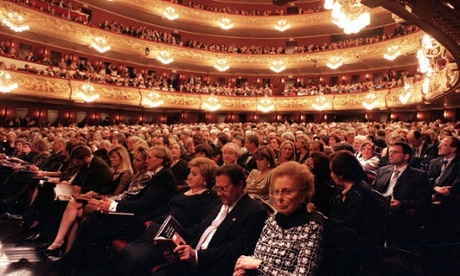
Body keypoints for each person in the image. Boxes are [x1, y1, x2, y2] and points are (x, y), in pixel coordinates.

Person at [53, 146, 177, 275]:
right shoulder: (161, 175)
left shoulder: (164, 176)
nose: (146, 161)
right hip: (137, 216)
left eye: (150, 158)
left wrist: (114, 206)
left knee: (93, 223)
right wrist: (113, 204)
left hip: (142, 223)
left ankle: (80, 266)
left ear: (160, 160)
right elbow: (139, 200)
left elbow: (144, 204)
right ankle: (81, 266)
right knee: (93, 221)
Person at [154, 164, 268, 275]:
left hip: (212, 266)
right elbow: (199, 229)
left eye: (224, 189)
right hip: (190, 260)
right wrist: (176, 247)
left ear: (239, 185)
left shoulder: (254, 212)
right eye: (217, 188)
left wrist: (197, 255)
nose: (219, 193)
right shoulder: (217, 203)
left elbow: (236, 249)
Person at [116, 157, 219, 275]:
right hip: (159, 234)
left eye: (194, 174)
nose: (189, 176)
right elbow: (166, 212)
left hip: (175, 242)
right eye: (190, 172)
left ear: (205, 179)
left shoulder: (209, 197)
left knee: (136, 258)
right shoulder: (184, 190)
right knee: (126, 251)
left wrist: (173, 238)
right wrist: (154, 224)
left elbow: (200, 226)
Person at [233, 161, 323, 275]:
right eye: (276, 192)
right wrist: (244, 267)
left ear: (303, 195)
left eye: (287, 192)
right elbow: (258, 257)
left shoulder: (312, 227)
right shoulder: (272, 220)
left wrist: (258, 265)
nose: (279, 198)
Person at [44, 146, 133, 256]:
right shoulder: (114, 172)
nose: (111, 159)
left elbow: (115, 195)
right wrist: (93, 194)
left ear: (122, 158)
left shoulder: (125, 174)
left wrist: (95, 196)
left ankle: (61, 245)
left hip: (109, 203)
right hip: (102, 199)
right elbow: (104, 190)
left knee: (75, 211)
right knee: (73, 210)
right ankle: (66, 250)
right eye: (111, 157)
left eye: (114, 157)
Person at [372, 141, 430, 245]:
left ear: (406, 156)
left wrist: (401, 204)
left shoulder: (418, 175)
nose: (390, 154)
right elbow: (373, 191)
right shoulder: (382, 170)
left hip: (400, 213)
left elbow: (423, 201)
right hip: (379, 209)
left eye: (395, 152)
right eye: (390, 151)